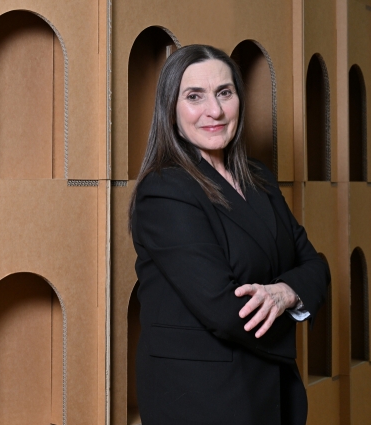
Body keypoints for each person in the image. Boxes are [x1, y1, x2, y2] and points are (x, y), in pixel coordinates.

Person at [129, 44, 330, 425]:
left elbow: (315, 265)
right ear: (170, 109)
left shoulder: (259, 178)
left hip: (272, 390)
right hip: (204, 398)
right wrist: (295, 301)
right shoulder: (164, 191)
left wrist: (286, 293)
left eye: (225, 92)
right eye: (194, 97)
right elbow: (226, 311)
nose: (215, 111)